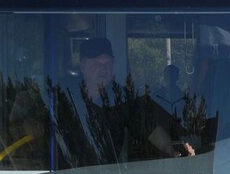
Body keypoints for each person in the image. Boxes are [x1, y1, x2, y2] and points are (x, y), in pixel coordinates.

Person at [64, 38, 193, 163]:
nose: (103, 68)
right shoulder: (62, 94)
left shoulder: (123, 97)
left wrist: (172, 151)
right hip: (66, 173)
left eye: (108, 63)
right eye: (97, 63)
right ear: (82, 66)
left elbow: (151, 129)